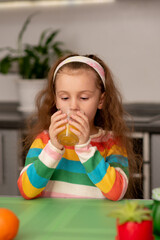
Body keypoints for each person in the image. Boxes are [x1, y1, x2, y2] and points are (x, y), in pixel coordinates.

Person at [17, 54, 138, 200]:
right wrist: (54, 148)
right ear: (55, 100)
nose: (73, 106)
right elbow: (26, 190)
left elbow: (117, 193)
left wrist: (85, 148)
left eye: (84, 98)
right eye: (65, 98)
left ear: (101, 100)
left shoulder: (112, 142)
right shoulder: (45, 140)